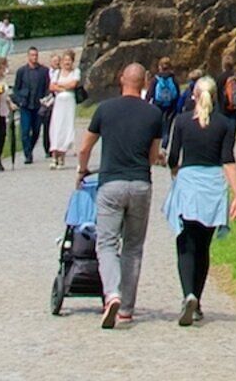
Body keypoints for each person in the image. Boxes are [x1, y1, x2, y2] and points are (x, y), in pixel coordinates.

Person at [75, 63, 169, 330]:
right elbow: (153, 157)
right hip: (140, 184)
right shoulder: (153, 113)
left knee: (106, 243)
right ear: (145, 83)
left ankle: (112, 293)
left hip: (111, 183)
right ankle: (126, 309)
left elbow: (84, 148)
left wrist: (82, 170)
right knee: (133, 247)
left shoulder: (105, 109)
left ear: (121, 79)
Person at [163, 73, 236, 328]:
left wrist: (174, 173)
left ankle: (188, 294)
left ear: (193, 95)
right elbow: (227, 159)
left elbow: (173, 157)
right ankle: (197, 301)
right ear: (216, 97)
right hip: (213, 186)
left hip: (189, 183)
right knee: (203, 246)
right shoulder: (224, 124)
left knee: (185, 242)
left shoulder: (181, 122)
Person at [11, 48, 52, 165]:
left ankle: (30, 148)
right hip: (25, 105)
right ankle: (27, 154)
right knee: (25, 131)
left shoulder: (44, 71)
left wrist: (45, 99)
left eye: (36, 55)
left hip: (38, 105)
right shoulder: (22, 71)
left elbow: (47, 87)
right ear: (28, 56)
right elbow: (16, 88)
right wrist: (19, 100)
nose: (34, 57)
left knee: (36, 131)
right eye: (32, 55)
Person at [47, 52, 82, 160]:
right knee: (56, 125)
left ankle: (63, 152)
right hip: (59, 102)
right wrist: (62, 87)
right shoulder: (57, 73)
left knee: (67, 126)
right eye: (65, 60)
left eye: (69, 60)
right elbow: (52, 87)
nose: (67, 62)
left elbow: (73, 84)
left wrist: (60, 85)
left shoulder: (76, 72)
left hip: (69, 102)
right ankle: (54, 153)